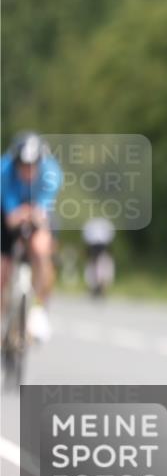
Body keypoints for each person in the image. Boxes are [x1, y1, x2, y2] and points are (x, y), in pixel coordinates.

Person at [1, 132, 63, 341]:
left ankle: (38, 309)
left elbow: (42, 210)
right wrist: (18, 215)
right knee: (3, 266)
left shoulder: (51, 173)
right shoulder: (4, 171)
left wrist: (33, 214)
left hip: (37, 213)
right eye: (22, 166)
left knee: (41, 248)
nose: (27, 171)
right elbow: (10, 217)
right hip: (9, 213)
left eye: (32, 166)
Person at [81, 216, 115, 297]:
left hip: (98, 247)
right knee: (97, 266)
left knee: (98, 266)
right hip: (98, 247)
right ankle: (98, 286)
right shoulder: (104, 224)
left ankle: (99, 286)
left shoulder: (94, 224)